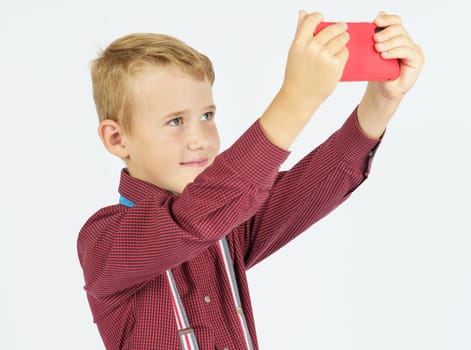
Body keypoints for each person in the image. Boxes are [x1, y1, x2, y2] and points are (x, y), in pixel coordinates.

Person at [77, 10, 424, 350]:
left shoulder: (229, 224)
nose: (200, 138)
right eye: (175, 121)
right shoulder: (105, 241)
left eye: (207, 115)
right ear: (117, 139)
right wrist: (297, 98)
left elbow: (316, 183)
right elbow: (198, 216)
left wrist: (381, 101)